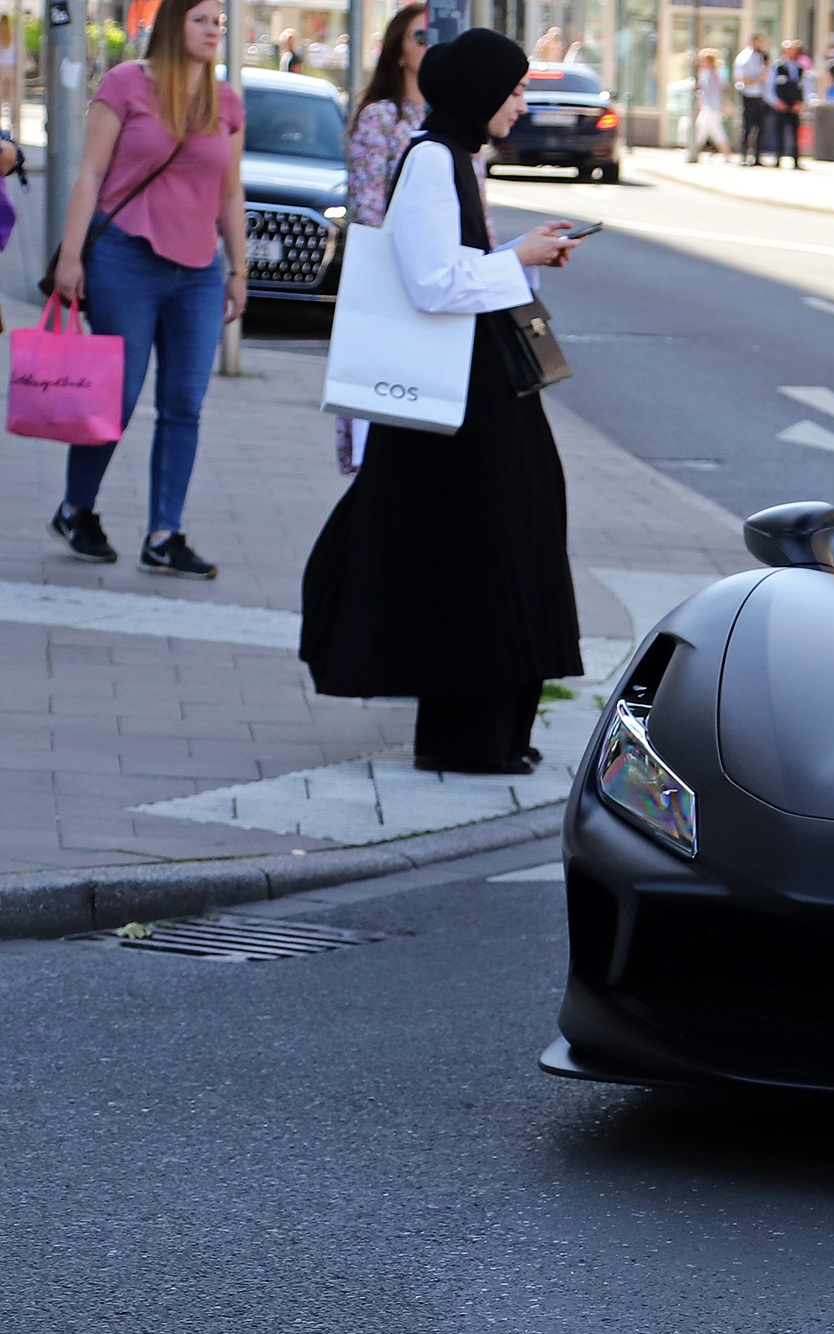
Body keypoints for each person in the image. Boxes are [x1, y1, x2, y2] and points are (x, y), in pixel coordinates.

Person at [300, 28, 585, 776]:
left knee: (505, 540)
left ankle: (490, 734)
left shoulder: (456, 156)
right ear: (479, 93)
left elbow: (457, 270)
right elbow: (430, 283)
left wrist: (521, 256)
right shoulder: (430, 161)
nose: (523, 103)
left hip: (481, 388)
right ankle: (468, 739)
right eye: (516, 90)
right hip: (462, 398)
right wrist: (516, 258)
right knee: (488, 549)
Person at [44, 0, 244, 576]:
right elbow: (90, 174)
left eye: (219, 24)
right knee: (117, 396)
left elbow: (231, 192)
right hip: (125, 260)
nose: (213, 31)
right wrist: (72, 255)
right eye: (203, 19)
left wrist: (237, 270)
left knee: (185, 404)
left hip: (199, 273)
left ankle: (165, 533)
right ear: (175, 22)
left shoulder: (225, 101)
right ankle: (76, 508)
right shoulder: (126, 84)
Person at [333, 2, 432, 477]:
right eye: (420, 37)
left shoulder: (447, 119)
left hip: (438, 289)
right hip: (390, 284)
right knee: (380, 419)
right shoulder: (381, 118)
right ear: (397, 51)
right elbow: (367, 212)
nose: (430, 47)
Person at [765, 40, 808, 169]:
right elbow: (768, 87)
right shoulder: (776, 68)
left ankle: (796, 159)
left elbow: (806, 87)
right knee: (779, 132)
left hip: (794, 106)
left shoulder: (800, 68)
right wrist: (776, 102)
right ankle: (778, 157)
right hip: (780, 105)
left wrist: (802, 103)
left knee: (794, 133)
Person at [687, 48, 734, 162]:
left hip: (711, 107)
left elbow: (705, 90)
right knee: (712, 131)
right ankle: (694, 151)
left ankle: (693, 151)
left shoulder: (710, 74)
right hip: (711, 107)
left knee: (704, 129)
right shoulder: (713, 73)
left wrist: (695, 88)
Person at [733, 34, 770, 164]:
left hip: (760, 94)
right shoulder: (745, 57)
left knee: (761, 127)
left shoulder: (761, 56)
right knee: (747, 127)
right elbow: (743, 79)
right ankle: (743, 155)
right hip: (748, 95)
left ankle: (758, 156)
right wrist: (759, 79)